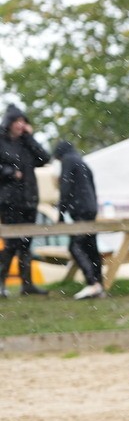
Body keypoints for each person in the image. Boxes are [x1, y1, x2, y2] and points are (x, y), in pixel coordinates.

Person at [0, 105, 51, 296]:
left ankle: (27, 285)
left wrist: (30, 137)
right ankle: (1, 283)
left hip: (29, 199)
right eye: (17, 121)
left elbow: (44, 158)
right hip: (9, 200)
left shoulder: (26, 143)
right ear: (10, 123)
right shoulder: (1, 141)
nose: (21, 125)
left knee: (26, 243)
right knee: (11, 243)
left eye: (23, 121)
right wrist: (9, 172)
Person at [53, 140, 105, 299]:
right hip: (90, 208)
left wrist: (60, 213)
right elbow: (92, 186)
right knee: (91, 247)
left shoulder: (68, 161)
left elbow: (65, 187)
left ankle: (92, 283)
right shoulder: (82, 162)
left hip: (80, 210)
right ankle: (99, 283)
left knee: (75, 246)